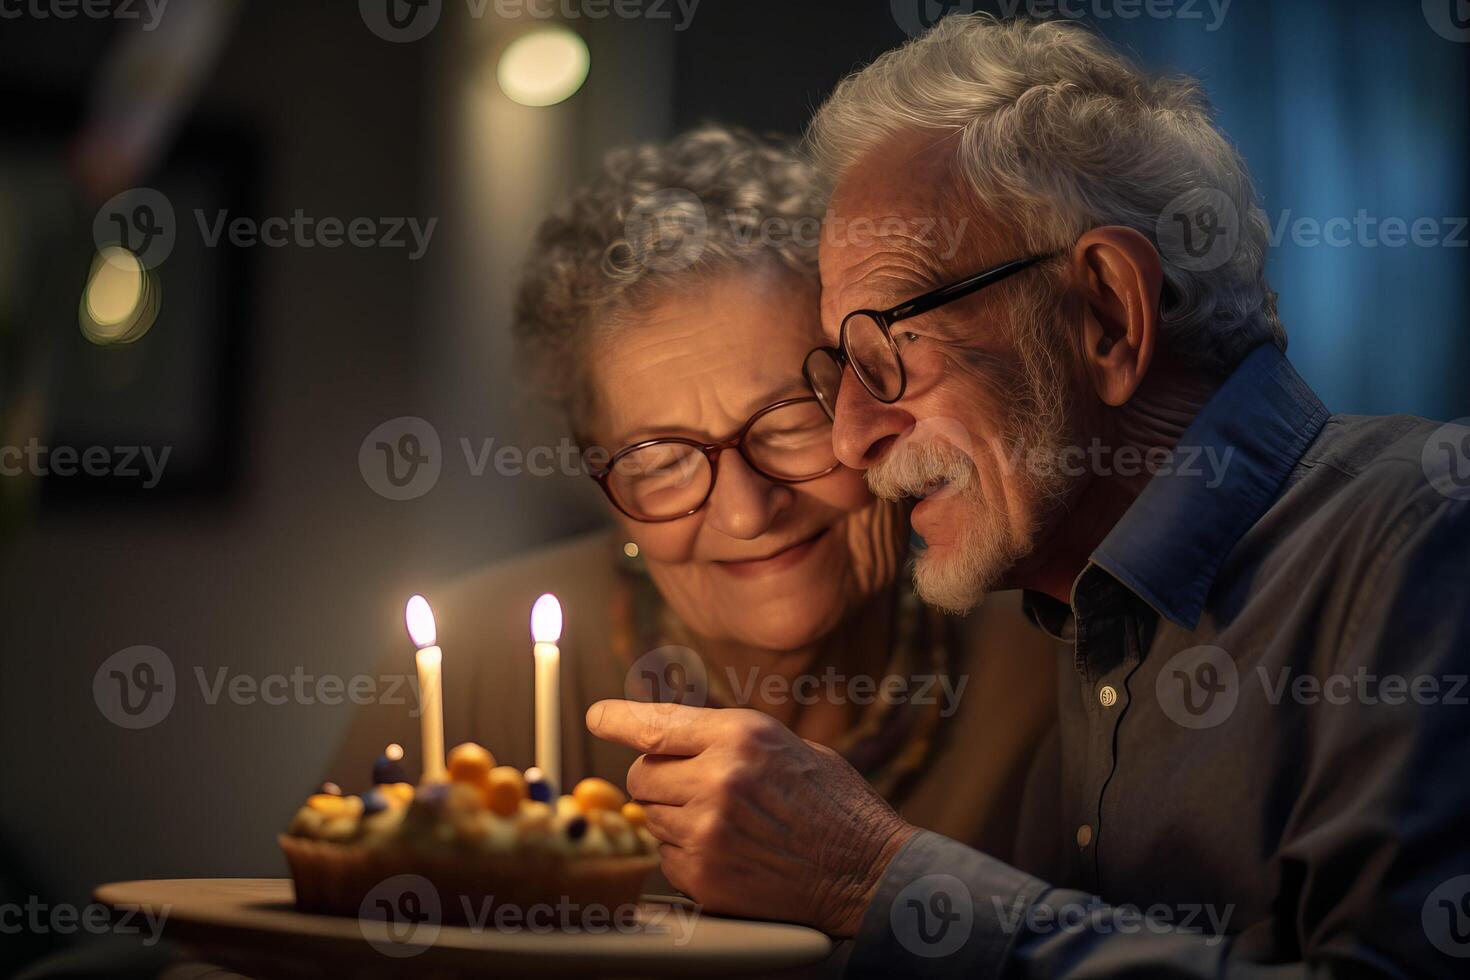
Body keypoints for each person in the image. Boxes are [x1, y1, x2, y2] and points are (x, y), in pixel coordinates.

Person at [582, 15, 1470, 977]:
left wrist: (873, 878)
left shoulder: (1428, 537)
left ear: (1106, 312)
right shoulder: (1082, 619)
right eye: (839, 370)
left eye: (888, 351)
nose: (851, 437)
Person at [330, 124, 1059, 865]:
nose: (747, 510)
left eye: (792, 421)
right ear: (603, 485)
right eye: (662, 459)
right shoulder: (472, 668)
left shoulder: (1049, 672)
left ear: (871, 395)